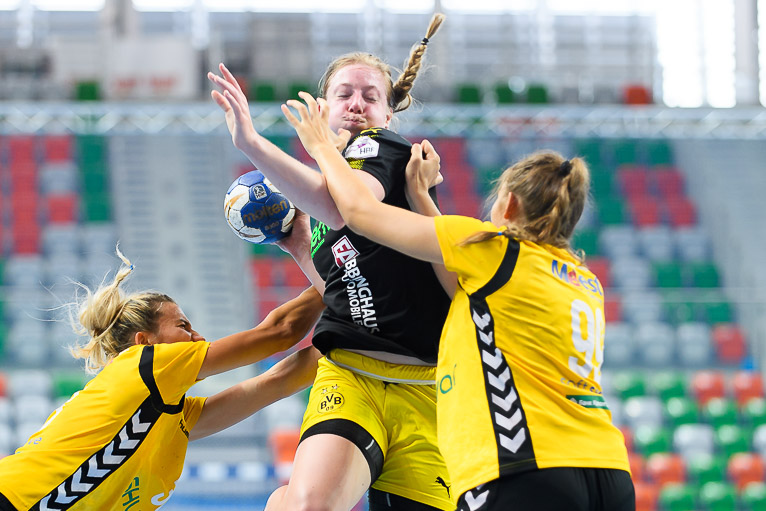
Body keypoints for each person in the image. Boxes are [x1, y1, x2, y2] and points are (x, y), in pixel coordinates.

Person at [282, 92, 636, 511]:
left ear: (509, 204)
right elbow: (457, 285)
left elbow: (359, 213)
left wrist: (321, 146)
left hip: (526, 465)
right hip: (608, 468)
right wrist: (419, 194)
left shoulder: (493, 248)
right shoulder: (583, 280)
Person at [208, 14, 457, 511]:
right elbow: (344, 284)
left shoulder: (381, 149)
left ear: (388, 115)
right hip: (351, 374)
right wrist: (299, 247)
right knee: (312, 507)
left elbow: (346, 209)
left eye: (371, 96)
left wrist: (251, 143)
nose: (357, 105)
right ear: (324, 105)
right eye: (345, 94)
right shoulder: (326, 181)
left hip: (427, 389)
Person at [0, 247, 325, 511]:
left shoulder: (163, 415)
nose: (198, 338)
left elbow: (278, 382)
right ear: (144, 342)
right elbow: (280, 332)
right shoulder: (143, 365)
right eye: (183, 326)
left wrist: (351, 336)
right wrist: (339, 275)